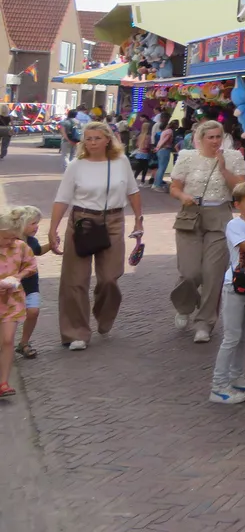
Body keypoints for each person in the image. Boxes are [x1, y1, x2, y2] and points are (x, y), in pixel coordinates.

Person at [48, 121, 144, 350]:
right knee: (75, 279)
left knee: (110, 277)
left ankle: (104, 315)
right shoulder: (76, 166)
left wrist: (138, 220)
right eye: (88, 138)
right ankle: (76, 333)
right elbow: (62, 198)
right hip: (82, 221)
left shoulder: (121, 162)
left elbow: (133, 191)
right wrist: (53, 229)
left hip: (113, 220)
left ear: (107, 139)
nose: (92, 142)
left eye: (97, 138)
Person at [168, 120, 245, 343]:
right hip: (190, 216)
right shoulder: (186, 156)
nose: (214, 141)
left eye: (218, 136)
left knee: (213, 274)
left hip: (220, 215)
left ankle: (204, 323)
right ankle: (184, 305)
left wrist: (223, 168)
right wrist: (183, 196)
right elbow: (174, 187)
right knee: (191, 271)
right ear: (200, 138)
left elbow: (241, 189)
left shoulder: (233, 157)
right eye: (210, 137)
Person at [209, 183, 245, 405]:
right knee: (231, 337)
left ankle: (237, 377)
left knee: (244, 337)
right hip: (234, 285)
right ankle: (218, 385)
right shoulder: (234, 225)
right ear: (237, 205)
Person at [0, 206, 38, 398]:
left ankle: (3, 383)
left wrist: (18, 276)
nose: (9, 242)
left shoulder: (21, 247)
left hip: (12, 300)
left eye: (12, 238)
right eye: (5, 238)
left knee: (7, 340)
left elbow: (31, 266)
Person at [15, 207, 50, 359]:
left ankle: (24, 342)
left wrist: (52, 245)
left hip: (30, 284)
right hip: (10, 287)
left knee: (33, 311)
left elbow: (38, 251)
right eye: (33, 223)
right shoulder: (8, 241)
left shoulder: (32, 241)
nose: (37, 227)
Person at [153, 121, 178, 192]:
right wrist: (159, 147)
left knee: (160, 168)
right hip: (165, 149)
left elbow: (161, 140)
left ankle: (156, 183)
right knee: (162, 168)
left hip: (160, 150)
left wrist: (157, 148)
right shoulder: (170, 131)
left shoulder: (164, 131)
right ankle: (158, 185)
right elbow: (164, 140)